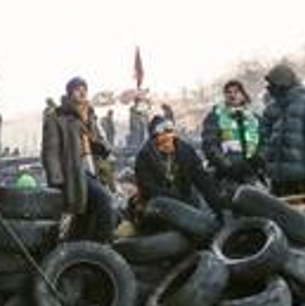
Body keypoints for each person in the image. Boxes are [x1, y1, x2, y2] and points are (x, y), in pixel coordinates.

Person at [42, 77, 117, 242]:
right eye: (77, 89)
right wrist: (57, 180)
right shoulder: (57, 117)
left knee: (86, 215)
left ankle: (80, 250)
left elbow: (100, 142)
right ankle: (106, 247)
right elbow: (50, 151)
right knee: (105, 201)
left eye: (85, 88)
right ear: (69, 94)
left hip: (93, 169)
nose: (82, 92)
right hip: (73, 172)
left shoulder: (90, 116)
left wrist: (103, 146)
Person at [259, 64, 305, 196]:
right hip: (277, 177)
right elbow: (264, 140)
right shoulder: (271, 109)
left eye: (273, 83)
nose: (270, 87)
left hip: (302, 177)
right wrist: (264, 163)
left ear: (283, 83)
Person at [135, 115, 222, 213]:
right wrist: (178, 199)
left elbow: (202, 181)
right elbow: (149, 189)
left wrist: (218, 208)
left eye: (169, 132)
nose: (167, 137)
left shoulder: (186, 152)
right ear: (154, 138)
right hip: (158, 207)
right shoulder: (145, 156)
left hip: (186, 202)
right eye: (161, 135)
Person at [201, 80, 264, 193]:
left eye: (236, 91)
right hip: (227, 176)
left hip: (252, 173)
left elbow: (264, 142)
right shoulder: (215, 117)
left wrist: (260, 160)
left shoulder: (255, 118)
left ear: (244, 95)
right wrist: (227, 165)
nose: (232, 95)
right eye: (228, 92)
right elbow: (209, 145)